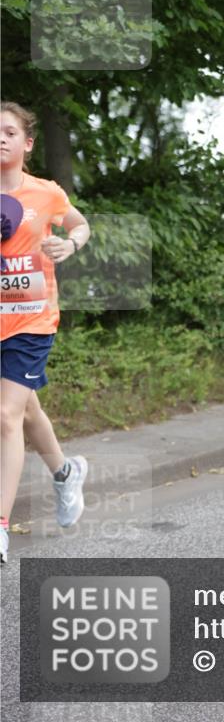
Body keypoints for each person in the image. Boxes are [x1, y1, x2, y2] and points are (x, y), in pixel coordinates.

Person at [0, 101, 91, 566]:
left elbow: (80, 224)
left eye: (9, 132)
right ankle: (64, 473)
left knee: (5, 415)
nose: (1, 139)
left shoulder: (46, 193)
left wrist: (69, 244)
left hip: (33, 322)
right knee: (27, 410)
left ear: (28, 143)